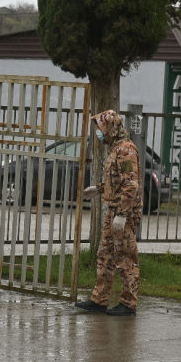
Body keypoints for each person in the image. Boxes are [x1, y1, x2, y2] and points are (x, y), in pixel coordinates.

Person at [75, 109, 142, 316]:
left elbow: (130, 185)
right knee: (104, 255)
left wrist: (122, 214)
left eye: (101, 128)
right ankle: (99, 299)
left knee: (126, 258)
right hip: (113, 211)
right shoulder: (115, 148)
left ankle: (128, 303)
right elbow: (116, 179)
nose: (99, 132)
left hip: (124, 214)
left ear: (111, 127)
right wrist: (99, 188)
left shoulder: (126, 150)